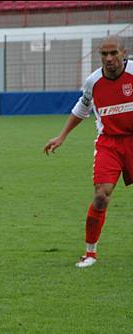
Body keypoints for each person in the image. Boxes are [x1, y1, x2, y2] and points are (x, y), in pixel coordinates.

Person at [44, 35, 133, 268]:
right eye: (104, 54)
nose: (109, 58)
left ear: (124, 53)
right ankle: (90, 253)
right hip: (109, 144)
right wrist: (61, 136)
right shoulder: (93, 82)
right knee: (101, 196)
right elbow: (81, 109)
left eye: (114, 53)